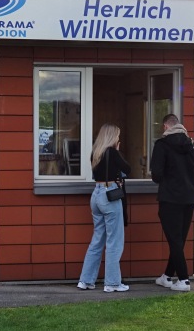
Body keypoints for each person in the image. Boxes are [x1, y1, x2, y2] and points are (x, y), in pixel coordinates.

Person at [150, 114, 194, 292]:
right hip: (189, 198)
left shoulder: (162, 145)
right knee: (178, 239)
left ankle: (183, 279)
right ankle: (166, 277)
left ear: (166, 127)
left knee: (174, 240)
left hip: (170, 198)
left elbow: (156, 175)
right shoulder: (192, 145)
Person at [77, 123, 131, 293]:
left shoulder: (96, 152)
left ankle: (85, 280)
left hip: (96, 194)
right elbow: (127, 169)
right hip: (110, 195)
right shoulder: (112, 152)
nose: (119, 139)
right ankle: (113, 283)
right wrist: (118, 149)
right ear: (113, 137)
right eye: (117, 136)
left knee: (98, 239)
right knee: (114, 241)